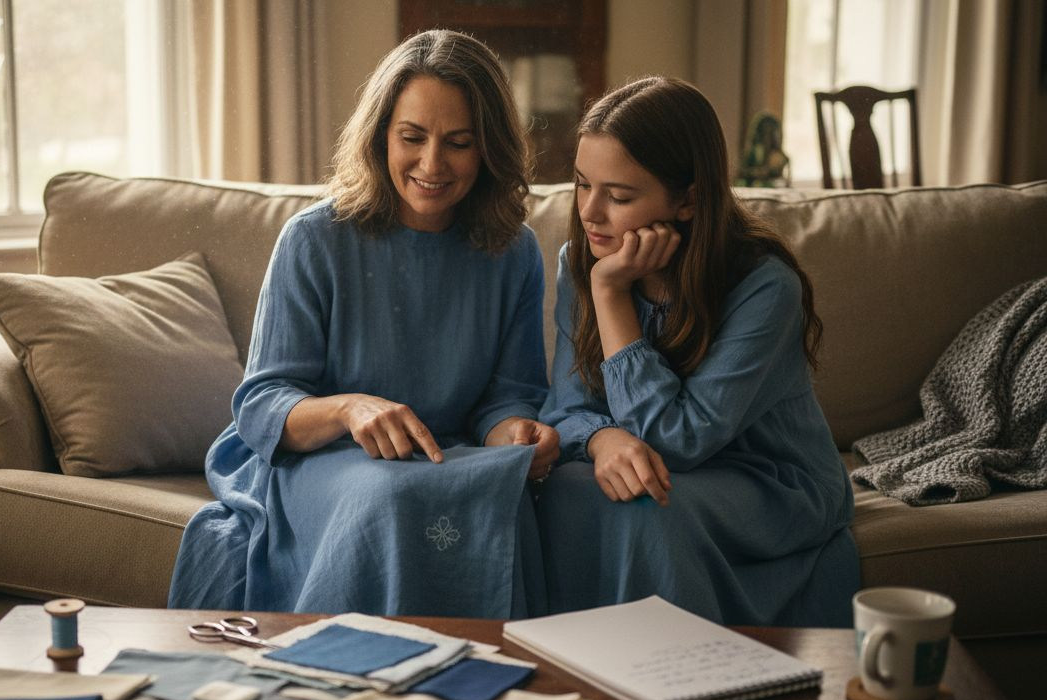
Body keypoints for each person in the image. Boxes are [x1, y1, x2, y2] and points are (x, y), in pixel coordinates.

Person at [168, 30, 559, 618]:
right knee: (388, 494)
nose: (432, 163)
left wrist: (517, 434)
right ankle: (354, 664)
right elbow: (262, 404)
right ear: (380, 136)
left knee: (508, 497)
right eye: (412, 137)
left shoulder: (515, 251)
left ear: (489, 149)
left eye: (458, 143)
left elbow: (508, 397)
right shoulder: (313, 239)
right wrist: (349, 409)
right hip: (316, 460)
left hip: (445, 458)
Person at [537, 77, 859, 627]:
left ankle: (670, 666)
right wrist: (603, 438)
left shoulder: (764, 286)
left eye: (619, 197)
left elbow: (679, 440)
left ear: (687, 200)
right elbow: (563, 409)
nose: (590, 212)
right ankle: (577, 662)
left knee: (648, 504)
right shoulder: (580, 260)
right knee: (560, 490)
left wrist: (611, 294)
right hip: (661, 464)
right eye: (582, 184)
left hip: (769, 481)